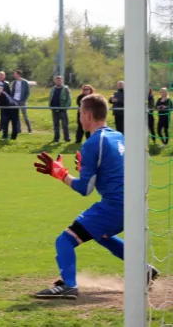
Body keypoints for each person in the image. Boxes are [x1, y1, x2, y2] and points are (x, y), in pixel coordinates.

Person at [32, 93, 159, 299]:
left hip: (115, 207)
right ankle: (144, 270)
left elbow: (85, 189)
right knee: (102, 235)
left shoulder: (93, 142)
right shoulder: (117, 136)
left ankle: (69, 287)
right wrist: (88, 168)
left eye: (80, 113)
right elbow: (114, 169)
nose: (79, 118)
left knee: (64, 240)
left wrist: (60, 174)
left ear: (88, 115)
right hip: (134, 203)